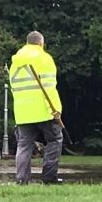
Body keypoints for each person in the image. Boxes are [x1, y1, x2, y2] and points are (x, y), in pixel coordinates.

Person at [9, 31, 64, 185]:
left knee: (24, 145)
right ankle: (49, 177)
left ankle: (21, 179)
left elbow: (15, 89)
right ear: (41, 43)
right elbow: (49, 87)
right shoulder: (44, 59)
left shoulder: (15, 63)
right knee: (55, 139)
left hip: (22, 112)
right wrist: (56, 110)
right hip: (43, 110)